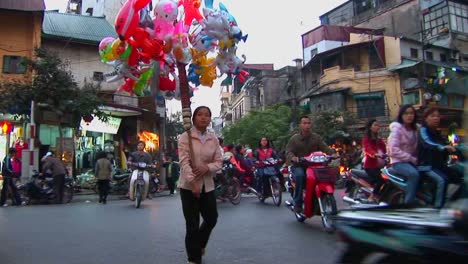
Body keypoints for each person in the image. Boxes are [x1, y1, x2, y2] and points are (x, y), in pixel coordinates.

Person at [178, 106, 222, 264]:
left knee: (212, 218)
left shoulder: (213, 138)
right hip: (188, 187)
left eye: (207, 115)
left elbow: (219, 161)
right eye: (200, 115)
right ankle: (194, 259)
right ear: (194, 118)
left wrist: (207, 167)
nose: (204, 118)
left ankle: (200, 244)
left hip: (208, 185)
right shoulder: (185, 137)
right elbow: (184, 162)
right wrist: (193, 182)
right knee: (192, 225)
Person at [286, 115, 335, 213]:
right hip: (299, 166)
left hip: (314, 166)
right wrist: (293, 158)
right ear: (300, 125)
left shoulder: (316, 137)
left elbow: (325, 148)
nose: (307, 125)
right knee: (300, 176)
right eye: (304, 123)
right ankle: (298, 203)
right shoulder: (294, 139)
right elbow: (289, 151)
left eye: (308, 123)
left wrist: (332, 153)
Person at [418, 107, 455, 208]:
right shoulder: (423, 130)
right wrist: (442, 147)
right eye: (432, 116)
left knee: (458, 175)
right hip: (426, 166)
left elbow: (447, 144)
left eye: (438, 116)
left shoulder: (437, 132)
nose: (436, 118)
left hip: (438, 165)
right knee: (442, 180)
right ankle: (437, 208)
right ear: (425, 118)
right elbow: (427, 143)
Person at [387, 104, 420, 205]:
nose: (409, 116)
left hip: (411, 161)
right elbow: (393, 149)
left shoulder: (415, 130)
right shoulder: (397, 129)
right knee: (414, 174)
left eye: (411, 113)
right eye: (406, 113)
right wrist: (410, 158)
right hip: (398, 162)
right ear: (401, 115)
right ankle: (408, 203)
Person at [362, 119, 387, 202]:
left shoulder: (379, 139)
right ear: (370, 127)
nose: (377, 127)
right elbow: (368, 149)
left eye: (378, 125)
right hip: (370, 166)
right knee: (381, 180)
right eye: (375, 125)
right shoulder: (366, 139)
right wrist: (374, 154)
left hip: (382, 165)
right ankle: (372, 196)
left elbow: (385, 149)